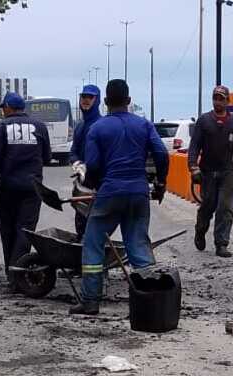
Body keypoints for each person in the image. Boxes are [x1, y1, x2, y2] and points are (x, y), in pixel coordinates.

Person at [69, 79, 169, 315]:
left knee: (93, 242)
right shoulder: (144, 125)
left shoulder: (98, 128)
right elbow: (162, 154)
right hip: (138, 192)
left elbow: (92, 164)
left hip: (110, 193)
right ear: (129, 101)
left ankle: (91, 301)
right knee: (137, 244)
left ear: (104, 102)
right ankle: (152, 303)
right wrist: (161, 182)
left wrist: (92, 184)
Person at [0, 92, 51, 290]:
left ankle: (12, 274)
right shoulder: (39, 127)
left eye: (3, 108)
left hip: (8, 189)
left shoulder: (1, 127)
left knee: (8, 231)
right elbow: (47, 157)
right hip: (33, 189)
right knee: (25, 231)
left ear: (8, 108)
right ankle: (18, 274)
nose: (3, 111)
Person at [187, 85, 233, 258]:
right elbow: (194, 147)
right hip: (207, 171)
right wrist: (193, 167)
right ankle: (200, 230)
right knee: (208, 206)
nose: (218, 101)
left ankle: (221, 243)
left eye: (221, 98)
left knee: (225, 208)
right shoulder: (204, 121)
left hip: (227, 171)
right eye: (215, 98)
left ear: (227, 101)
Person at [70, 84, 102, 240]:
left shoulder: (102, 125)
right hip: (82, 183)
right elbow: (74, 150)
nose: (86, 100)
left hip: (99, 183)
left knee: (96, 224)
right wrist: (77, 163)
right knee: (81, 222)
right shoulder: (80, 126)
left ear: (97, 100)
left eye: (90, 97)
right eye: (83, 97)